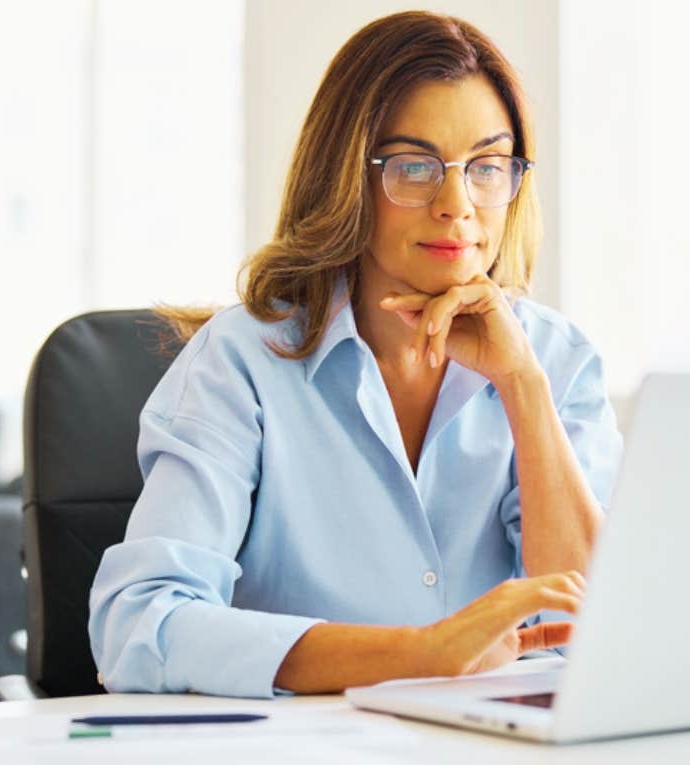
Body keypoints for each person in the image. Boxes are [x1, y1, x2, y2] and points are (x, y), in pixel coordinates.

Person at [88, 10, 623, 698]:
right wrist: (419, 653)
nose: (457, 204)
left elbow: (593, 629)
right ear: (348, 177)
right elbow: (138, 621)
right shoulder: (244, 362)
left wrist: (523, 387)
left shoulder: (557, 359)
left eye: (487, 167)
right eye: (413, 167)